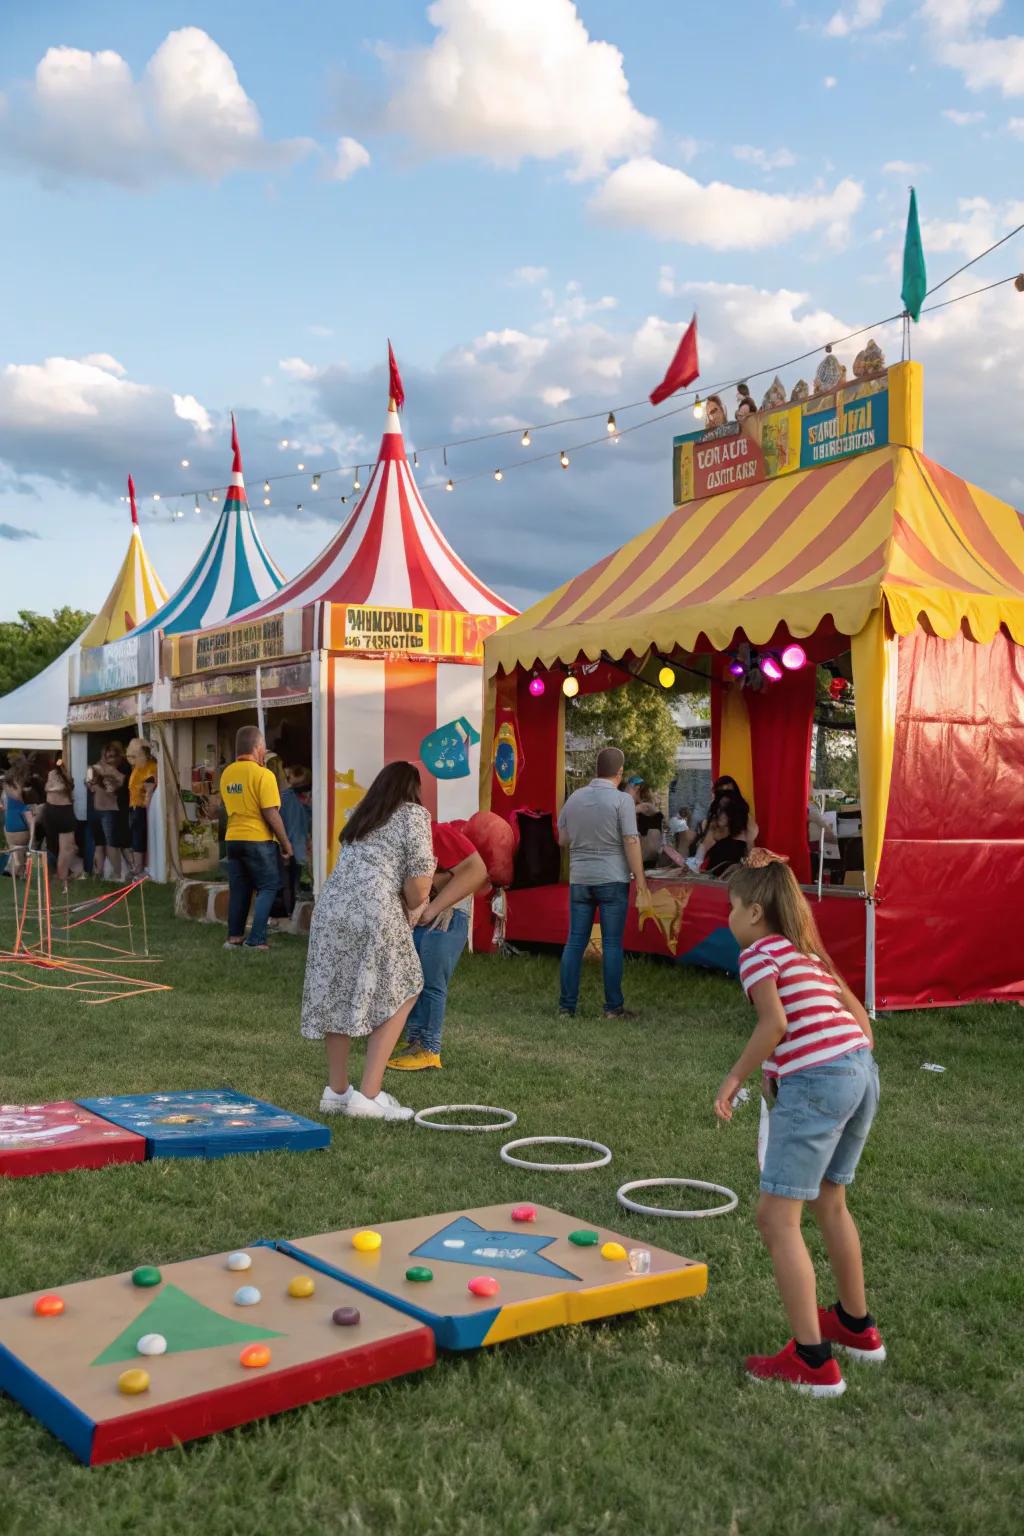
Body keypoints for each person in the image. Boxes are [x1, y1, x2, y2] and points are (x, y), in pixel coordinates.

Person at [714, 851, 882, 1396]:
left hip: (820, 1083)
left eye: (732, 908)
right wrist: (780, 1069)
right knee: (830, 1201)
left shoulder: (760, 955)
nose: (728, 918)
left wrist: (735, 1077)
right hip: (861, 1073)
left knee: (775, 1218)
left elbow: (776, 1023)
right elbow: (861, 1028)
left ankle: (813, 1362)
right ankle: (856, 1328)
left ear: (757, 912)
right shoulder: (807, 955)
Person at [301, 761, 436, 1122]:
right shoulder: (414, 815)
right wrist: (417, 903)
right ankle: (369, 1095)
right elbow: (419, 887)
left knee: (336, 991)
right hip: (374, 908)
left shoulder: (363, 816)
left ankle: (337, 1091)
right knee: (406, 986)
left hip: (331, 908)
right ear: (413, 789)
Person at [557, 746, 649, 1020]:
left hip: (580, 879)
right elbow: (631, 841)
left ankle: (566, 1006)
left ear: (597, 770)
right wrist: (641, 880)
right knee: (611, 943)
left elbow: (562, 838)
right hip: (613, 879)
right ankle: (612, 1007)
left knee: (575, 942)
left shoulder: (574, 798)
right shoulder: (623, 802)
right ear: (619, 773)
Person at [388, 822, 488, 1072]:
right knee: (415, 977)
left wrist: (440, 904)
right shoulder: (401, 838)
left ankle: (429, 1048)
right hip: (426, 912)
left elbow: (473, 872)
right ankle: (414, 1041)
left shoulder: (436, 833)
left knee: (432, 980)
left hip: (450, 913)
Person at [221, 726, 293, 951]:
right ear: (258, 748)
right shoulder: (264, 775)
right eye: (263, 748)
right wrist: (286, 843)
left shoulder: (227, 773)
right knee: (268, 886)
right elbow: (270, 812)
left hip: (232, 839)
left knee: (240, 888)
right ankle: (257, 939)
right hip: (258, 839)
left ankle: (234, 938)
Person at [89, 743, 126, 881]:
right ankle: (99, 875)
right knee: (100, 844)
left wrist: (106, 772)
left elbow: (120, 782)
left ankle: (118, 876)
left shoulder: (116, 771)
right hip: (97, 810)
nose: (109, 759)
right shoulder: (94, 768)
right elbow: (89, 784)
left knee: (111, 845)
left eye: (112, 756)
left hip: (109, 810)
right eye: (107, 755)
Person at [40, 760, 80, 885]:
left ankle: (62, 876)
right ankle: (61, 876)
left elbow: (64, 787)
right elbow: (49, 788)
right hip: (54, 811)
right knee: (61, 847)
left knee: (68, 848)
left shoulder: (66, 778)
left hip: (62, 811)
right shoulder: (53, 774)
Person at [690, 795, 750, 877]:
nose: (719, 813)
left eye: (725, 810)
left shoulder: (740, 840)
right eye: (718, 808)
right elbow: (699, 856)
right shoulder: (711, 828)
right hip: (706, 879)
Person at [280, 765, 313, 908]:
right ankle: (291, 910)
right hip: (292, 845)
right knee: (291, 881)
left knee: (294, 881)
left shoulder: (311, 798)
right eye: (296, 786)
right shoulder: (286, 797)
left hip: (301, 845)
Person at [125, 739, 157, 877]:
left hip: (142, 806)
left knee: (139, 836)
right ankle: (138, 866)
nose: (131, 758)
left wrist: (147, 800)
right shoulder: (138, 767)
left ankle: (139, 867)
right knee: (136, 835)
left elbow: (150, 785)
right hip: (134, 806)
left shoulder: (150, 767)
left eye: (135, 755)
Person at [2, 762, 33, 877]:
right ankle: (19, 874)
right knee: (19, 856)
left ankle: (19, 874)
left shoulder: (7, 786)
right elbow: (17, 796)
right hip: (16, 821)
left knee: (17, 854)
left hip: (11, 821)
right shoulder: (13, 785)